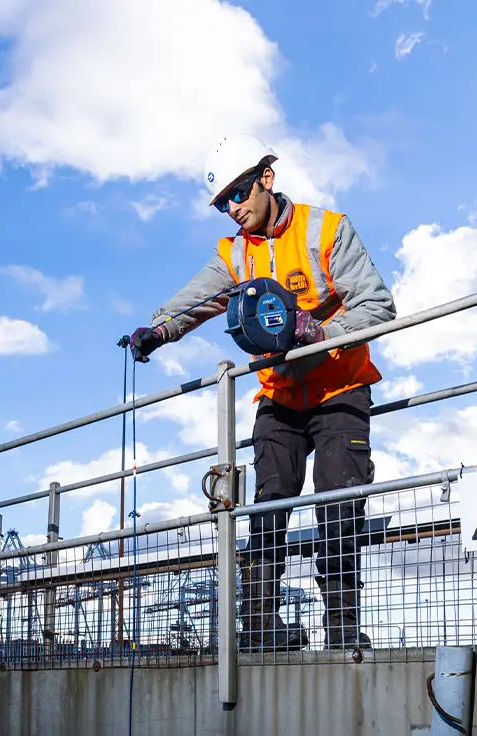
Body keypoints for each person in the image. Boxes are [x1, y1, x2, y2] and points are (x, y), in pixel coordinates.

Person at [125, 134, 396, 650]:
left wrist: (321, 334)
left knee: (339, 503)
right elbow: (195, 301)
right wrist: (157, 331)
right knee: (266, 506)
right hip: (280, 397)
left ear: (265, 180)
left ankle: (342, 632)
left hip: (339, 386)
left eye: (238, 193)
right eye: (222, 201)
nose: (232, 208)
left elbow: (378, 305)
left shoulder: (328, 230)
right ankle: (260, 631)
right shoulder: (233, 253)